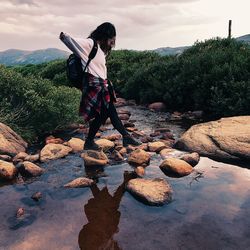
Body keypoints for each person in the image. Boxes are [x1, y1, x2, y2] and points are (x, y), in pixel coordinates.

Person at [60, 22, 140, 150]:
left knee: (102, 115)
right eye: (111, 39)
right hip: (95, 86)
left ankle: (90, 141)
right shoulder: (90, 44)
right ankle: (125, 136)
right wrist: (64, 36)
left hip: (103, 86)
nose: (112, 42)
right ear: (105, 35)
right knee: (110, 111)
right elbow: (67, 39)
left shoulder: (99, 49)